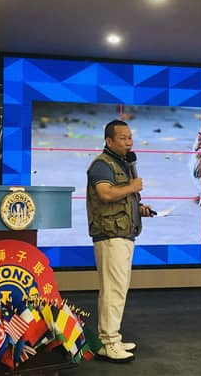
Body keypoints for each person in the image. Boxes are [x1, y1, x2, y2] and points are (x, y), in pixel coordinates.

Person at [86, 119, 154, 363]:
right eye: (123, 138)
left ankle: (112, 338)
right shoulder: (102, 165)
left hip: (123, 234)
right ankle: (108, 343)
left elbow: (120, 198)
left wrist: (139, 208)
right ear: (109, 140)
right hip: (110, 235)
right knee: (113, 291)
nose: (129, 142)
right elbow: (105, 194)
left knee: (118, 290)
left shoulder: (123, 164)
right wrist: (133, 187)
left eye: (130, 137)